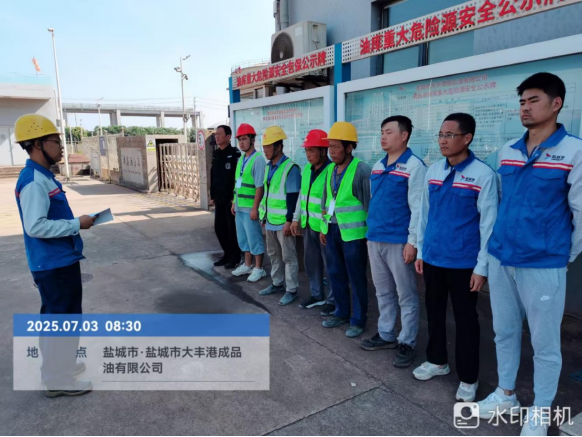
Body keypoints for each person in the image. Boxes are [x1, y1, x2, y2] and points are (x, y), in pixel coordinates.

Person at [477, 73, 582, 437]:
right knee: (504, 331)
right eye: (522, 101)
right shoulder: (508, 150)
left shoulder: (574, 151)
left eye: (533, 100)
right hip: (501, 257)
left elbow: (580, 212)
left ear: (556, 104)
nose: (525, 107)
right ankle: (506, 394)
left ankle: (540, 410)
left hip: (543, 263)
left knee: (545, 343)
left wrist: (562, 255)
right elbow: (499, 201)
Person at [414, 113, 498, 404]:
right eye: (441, 134)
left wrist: (482, 267)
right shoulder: (433, 171)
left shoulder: (483, 175)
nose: (443, 140)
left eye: (450, 135)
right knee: (434, 312)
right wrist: (421, 250)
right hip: (433, 258)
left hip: (464, 264)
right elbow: (424, 215)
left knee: (466, 321)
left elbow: (488, 225)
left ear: (467, 138)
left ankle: (468, 378)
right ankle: (437, 361)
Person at [14, 114, 96, 398]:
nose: (61, 147)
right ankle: (58, 379)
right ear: (37, 144)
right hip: (53, 263)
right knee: (61, 320)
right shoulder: (34, 181)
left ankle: (61, 367)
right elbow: (35, 226)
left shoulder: (43, 176)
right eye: (55, 141)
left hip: (60, 259)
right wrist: (76, 224)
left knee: (62, 318)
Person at [362, 116, 426, 369]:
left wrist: (413, 242)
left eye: (389, 132)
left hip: (399, 241)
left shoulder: (414, 166)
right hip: (375, 237)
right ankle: (386, 333)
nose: (383, 137)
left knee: (406, 294)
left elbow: (418, 208)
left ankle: (407, 341)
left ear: (404, 135)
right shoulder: (378, 165)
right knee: (383, 291)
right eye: (382, 132)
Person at [320, 122, 372, 339]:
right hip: (332, 231)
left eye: (335, 147)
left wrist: (370, 235)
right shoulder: (330, 170)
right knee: (335, 273)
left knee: (356, 277)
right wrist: (323, 228)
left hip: (355, 235)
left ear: (349, 147)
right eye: (329, 147)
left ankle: (358, 320)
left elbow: (369, 205)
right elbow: (325, 202)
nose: (331, 152)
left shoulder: (362, 170)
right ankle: (341, 312)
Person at [291, 129, 335, 316]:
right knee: (311, 263)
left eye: (311, 150)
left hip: (325, 229)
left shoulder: (332, 171)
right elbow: (302, 197)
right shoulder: (307, 170)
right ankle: (317, 295)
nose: (308, 155)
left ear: (323, 151)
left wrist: (326, 226)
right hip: (309, 225)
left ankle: (332, 300)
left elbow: (332, 202)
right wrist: (296, 219)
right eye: (306, 151)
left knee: (331, 265)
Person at [258, 126, 302, 306]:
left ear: (278, 147)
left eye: (268, 146)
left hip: (284, 222)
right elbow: (268, 194)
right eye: (264, 146)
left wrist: (289, 221)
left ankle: (291, 290)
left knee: (288, 256)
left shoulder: (290, 168)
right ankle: (277, 283)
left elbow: (293, 197)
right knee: (273, 254)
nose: (265, 150)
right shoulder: (268, 167)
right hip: (270, 220)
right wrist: (264, 216)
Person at [231, 123, 268, 283]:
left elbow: (260, 186)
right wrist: (234, 202)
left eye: (244, 139)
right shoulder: (242, 159)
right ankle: (247, 265)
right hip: (240, 206)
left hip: (250, 208)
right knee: (244, 239)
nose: (241, 142)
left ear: (252, 140)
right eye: (239, 139)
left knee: (254, 238)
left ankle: (259, 268)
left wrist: (255, 208)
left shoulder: (258, 159)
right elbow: (237, 183)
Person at [211, 125, 241, 269]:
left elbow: (238, 177)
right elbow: (213, 175)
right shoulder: (216, 154)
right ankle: (227, 254)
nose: (217, 136)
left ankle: (235, 257)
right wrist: (212, 195)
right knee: (219, 228)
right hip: (219, 199)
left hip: (230, 200)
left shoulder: (235, 153)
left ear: (228, 137)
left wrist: (234, 197)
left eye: (220, 134)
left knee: (232, 230)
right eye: (216, 134)